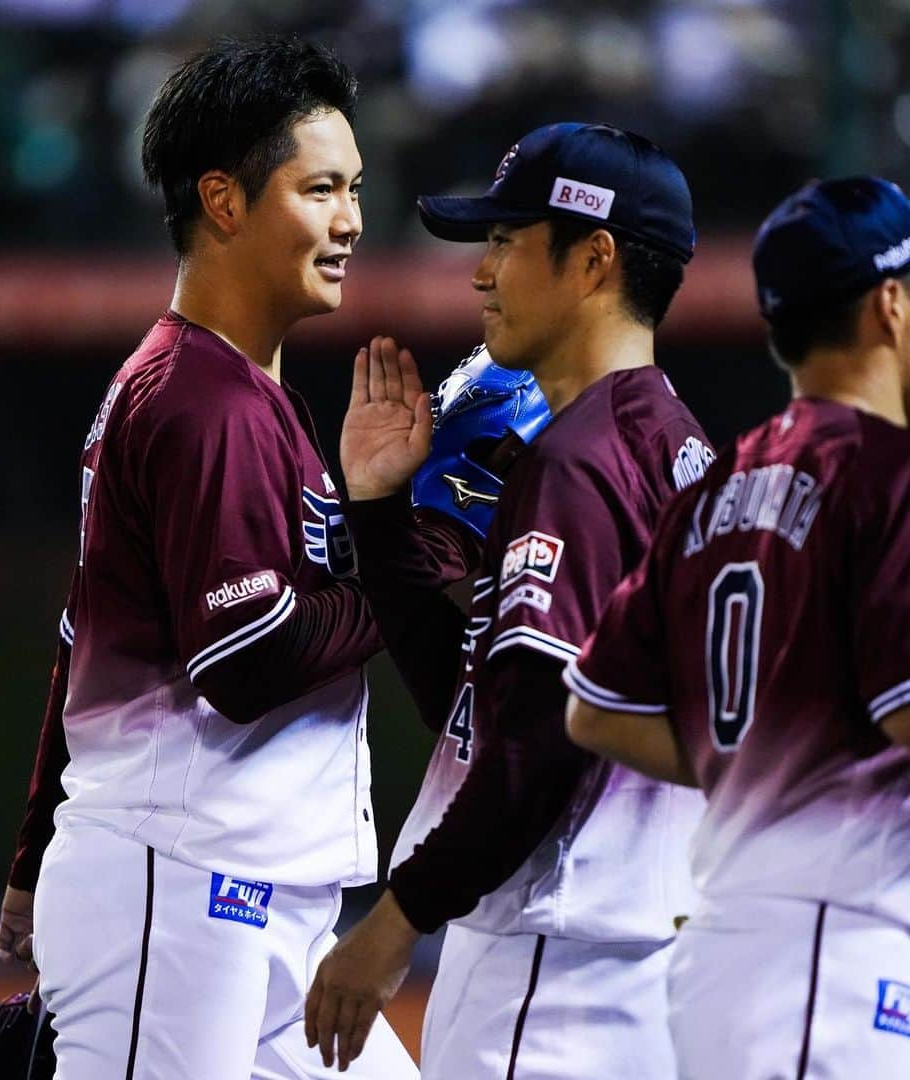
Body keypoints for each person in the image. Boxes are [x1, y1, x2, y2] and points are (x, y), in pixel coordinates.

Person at [0, 37, 443, 1079]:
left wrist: (30, 856)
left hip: (248, 899)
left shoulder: (230, 391)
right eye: (321, 188)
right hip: (181, 886)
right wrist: (420, 559)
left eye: (355, 189)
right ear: (225, 202)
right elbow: (245, 661)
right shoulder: (203, 402)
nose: (351, 222)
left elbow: (79, 642)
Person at [305, 122, 715, 1079]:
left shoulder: (584, 463)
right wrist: (379, 515)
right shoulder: (672, 443)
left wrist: (395, 922)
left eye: (506, 241)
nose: (480, 272)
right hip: (632, 954)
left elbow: (540, 744)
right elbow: (483, 708)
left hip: (555, 962)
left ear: (593, 259)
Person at [564, 175, 910, 1079]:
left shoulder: (717, 485)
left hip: (724, 953)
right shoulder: (890, 477)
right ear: (891, 303)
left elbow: (596, 712)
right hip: (840, 953)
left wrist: (756, 755)